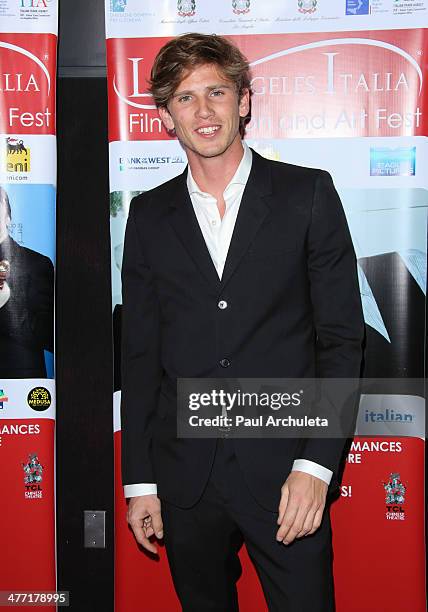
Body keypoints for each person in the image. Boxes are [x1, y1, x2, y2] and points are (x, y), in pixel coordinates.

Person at [121, 33, 364, 611]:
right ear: (165, 116)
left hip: (287, 472)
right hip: (186, 480)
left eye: (217, 92)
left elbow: (341, 340)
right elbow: (139, 356)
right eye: (185, 98)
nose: (203, 111)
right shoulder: (149, 215)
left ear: (244, 102)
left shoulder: (307, 194)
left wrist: (315, 464)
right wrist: (141, 480)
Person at [0, 186, 54, 378]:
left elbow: (51, 336)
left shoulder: (36, 264)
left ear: (8, 218)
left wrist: (7, 304)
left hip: (21, 388)